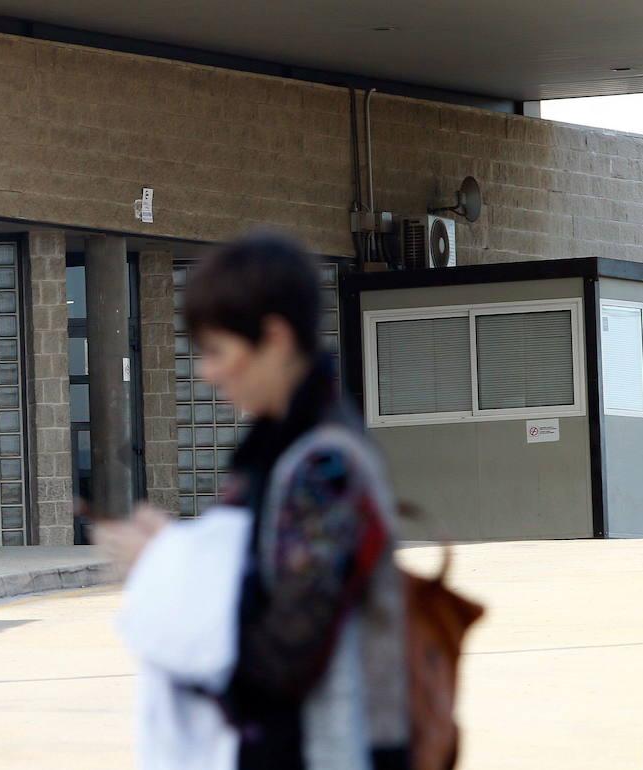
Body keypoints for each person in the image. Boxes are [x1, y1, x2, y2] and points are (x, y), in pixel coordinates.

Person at [98, 232, 410, 770]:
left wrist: (162, 567)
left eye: (218, 351)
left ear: (275, 337)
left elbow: (285, 653)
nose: (206, 372)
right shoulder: (278, 450)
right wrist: (176, 549)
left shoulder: (324, 466)